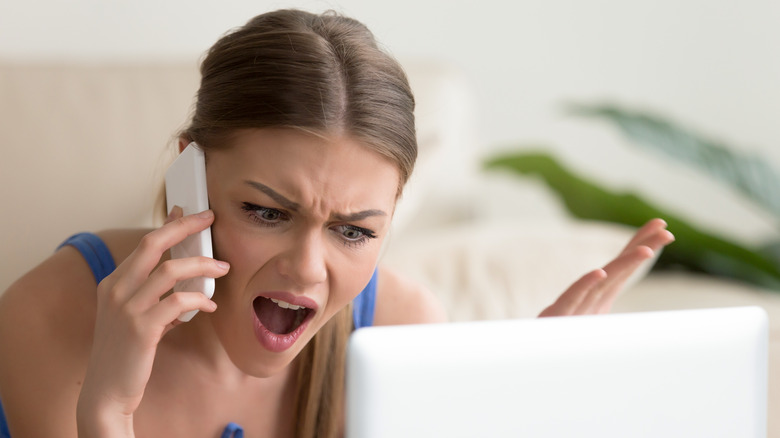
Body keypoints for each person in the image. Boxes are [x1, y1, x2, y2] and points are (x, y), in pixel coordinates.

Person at [0, 8, 674, 438]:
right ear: (191, 174)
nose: (306, 269)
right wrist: (109, 414)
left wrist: (510, 416)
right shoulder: (51, 314)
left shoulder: (399, 333)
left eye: (354, 230)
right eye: (266, 212)